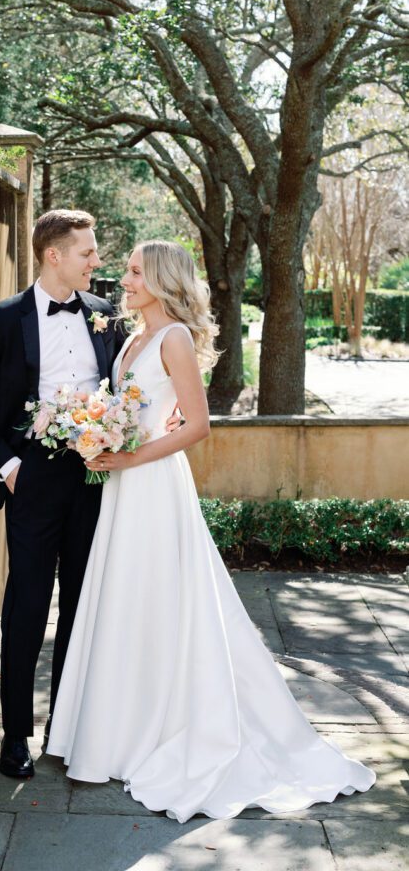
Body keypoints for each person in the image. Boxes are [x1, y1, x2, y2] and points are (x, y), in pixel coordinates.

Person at [47, 239, 375, 822]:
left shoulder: (172, 337)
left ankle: (171, 728)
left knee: (164, 599)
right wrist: (96, 433)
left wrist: (128, 454)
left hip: (152, 486)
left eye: (134, 272)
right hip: (123, 485)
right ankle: (122, 732)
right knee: (127, 602)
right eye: (125, 270)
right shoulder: (131, 338)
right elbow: (136, 410)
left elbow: (197, 426)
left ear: (164, 279)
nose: (123, 279)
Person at [0, 210, 124, 779]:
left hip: (94, 477)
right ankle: (15, 737)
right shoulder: (2, 318)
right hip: (30, 478)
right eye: (87, 253)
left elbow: (122, 392)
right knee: (27, 604)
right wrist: (6, 465)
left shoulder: (104, 316)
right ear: (54, 255)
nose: (96, 261)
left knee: (83, 601)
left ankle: (70, 727)